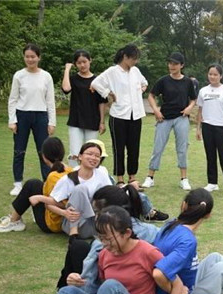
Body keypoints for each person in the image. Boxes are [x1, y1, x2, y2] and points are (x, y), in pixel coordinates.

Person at [57, 184, 160, 294]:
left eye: (97, 212)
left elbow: (88, 284)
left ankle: (63, 288)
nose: (95, 217)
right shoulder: (154, 231)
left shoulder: (102, 244)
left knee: (77, 247)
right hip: (147, 293)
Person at [29, 142, 112, 240]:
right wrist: (64, 213)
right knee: (80, 189)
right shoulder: (68, 178)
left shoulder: (101, 175)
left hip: (94, 223)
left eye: (97, 156)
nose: (93, 158)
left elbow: (111, 196)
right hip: (75, 222)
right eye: (89, 154)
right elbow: (50, 204)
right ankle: (73, 232)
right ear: (80, 156)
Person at [91, 44, 147, 186]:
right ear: (125, 57)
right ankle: (120, 178)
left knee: (134, 148)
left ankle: (132, 177)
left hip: (136, 115)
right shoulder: (112, 72)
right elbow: (96, 83)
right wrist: (107, 93)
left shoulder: (136, 71)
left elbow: (144, 82)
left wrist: (141, 89)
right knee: (119, 148)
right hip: (119, 115)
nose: (135, 62)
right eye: (133, 58)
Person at [141, 52, 197, 191]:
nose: (172, 66)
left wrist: (189, 108)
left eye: (175, 64)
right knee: (158, 147)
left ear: (181, 65)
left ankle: (184, 179)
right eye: (170, 63)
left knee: (182, 148)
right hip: (164, 118)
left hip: (181, 118)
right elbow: (151, 95)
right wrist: (156, 110)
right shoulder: (163, 80)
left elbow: (193, 99)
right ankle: (150, 177)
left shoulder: (188, 82)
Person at [8, 43, 56, 196]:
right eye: (27, 57)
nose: (30, 59)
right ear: (24, 58)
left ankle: (47, 182)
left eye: (33, 57)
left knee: (44, 152)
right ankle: (17, 183)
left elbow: (50, 101)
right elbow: (13, 99)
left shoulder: (46, 76)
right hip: (22, 115)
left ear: (39, 57)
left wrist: (51, 122)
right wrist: (12, 120)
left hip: (41, 116)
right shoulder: (19, 75)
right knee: (19, 150)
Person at [0, 137, 72, 233]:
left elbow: (56, 201)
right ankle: (14, 219)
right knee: (35, 184)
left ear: (44, 156)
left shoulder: (53, 176)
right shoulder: (70, 170)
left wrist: (39, 197)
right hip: (64, 219)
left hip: (52, 223)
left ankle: (14, 220)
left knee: (31, 185)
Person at [195, 64, 223, 196]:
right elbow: (200, 110)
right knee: (210, 155)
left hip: (221, 126)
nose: (212, 77)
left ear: (221, 76)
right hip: (207, 126)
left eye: (215, 74)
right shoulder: (203, 91)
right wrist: (198, 128)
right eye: (210, 74)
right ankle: (212, 182)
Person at [62, 49, 108, 167]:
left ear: (90, 61)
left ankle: (89, 178)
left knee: (91, 152)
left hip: (92, 120)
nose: (82, 65)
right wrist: (67, 69)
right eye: (79, 63)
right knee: (75, 153)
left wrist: (102, 122)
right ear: (75, 64)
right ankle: (74, 178)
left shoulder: (97, 81)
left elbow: (102, 102)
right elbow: (66, 89)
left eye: (84, 61)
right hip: (76, 120)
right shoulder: (73, 79)